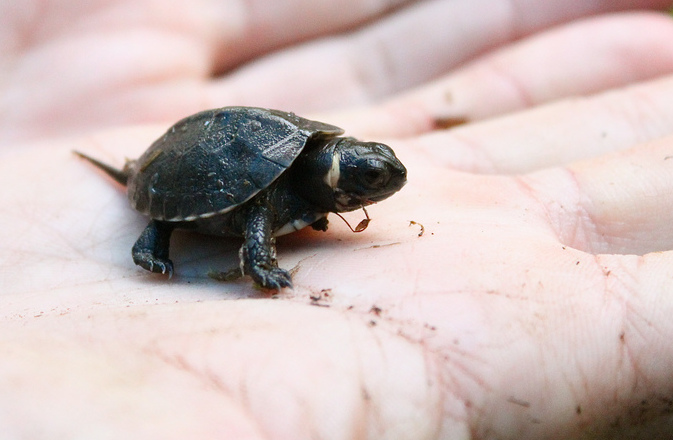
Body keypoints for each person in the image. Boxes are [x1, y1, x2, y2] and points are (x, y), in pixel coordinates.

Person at [2, 0, 673, 438]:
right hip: (179, 167)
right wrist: (258, 261)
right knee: (242, 209)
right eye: (364, 181)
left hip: (275, 160)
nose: (374, 189)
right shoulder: (279, 190)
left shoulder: (315, 164)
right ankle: (156, 231)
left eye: (371, 175)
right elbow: (259, 205)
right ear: (331, 177)